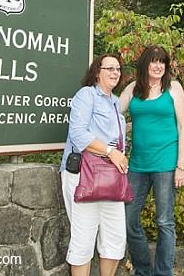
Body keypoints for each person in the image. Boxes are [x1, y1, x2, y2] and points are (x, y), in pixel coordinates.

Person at [120, 45, 184, 276]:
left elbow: (183, 127)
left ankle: (162, 273)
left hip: (166, 164)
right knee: (128, 219)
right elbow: (112, 115)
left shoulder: (174, 88)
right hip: (137, 164)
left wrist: (181, 166)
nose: (158, 66)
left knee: (164, 221)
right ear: (145, 64)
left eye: (162, 62)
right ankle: (142, 270)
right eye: (154, 61)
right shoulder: (133, 89)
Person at [60, 53, 130, 276]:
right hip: (84, 174)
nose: (115, 73)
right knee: (83, 239)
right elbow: (79, 134)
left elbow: (111, 134)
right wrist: (111, 152)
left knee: (115, 238)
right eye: (109, 68)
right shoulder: (86, 95)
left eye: (118, 69)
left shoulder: (115, 101)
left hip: (112, 176)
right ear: (96, 72)